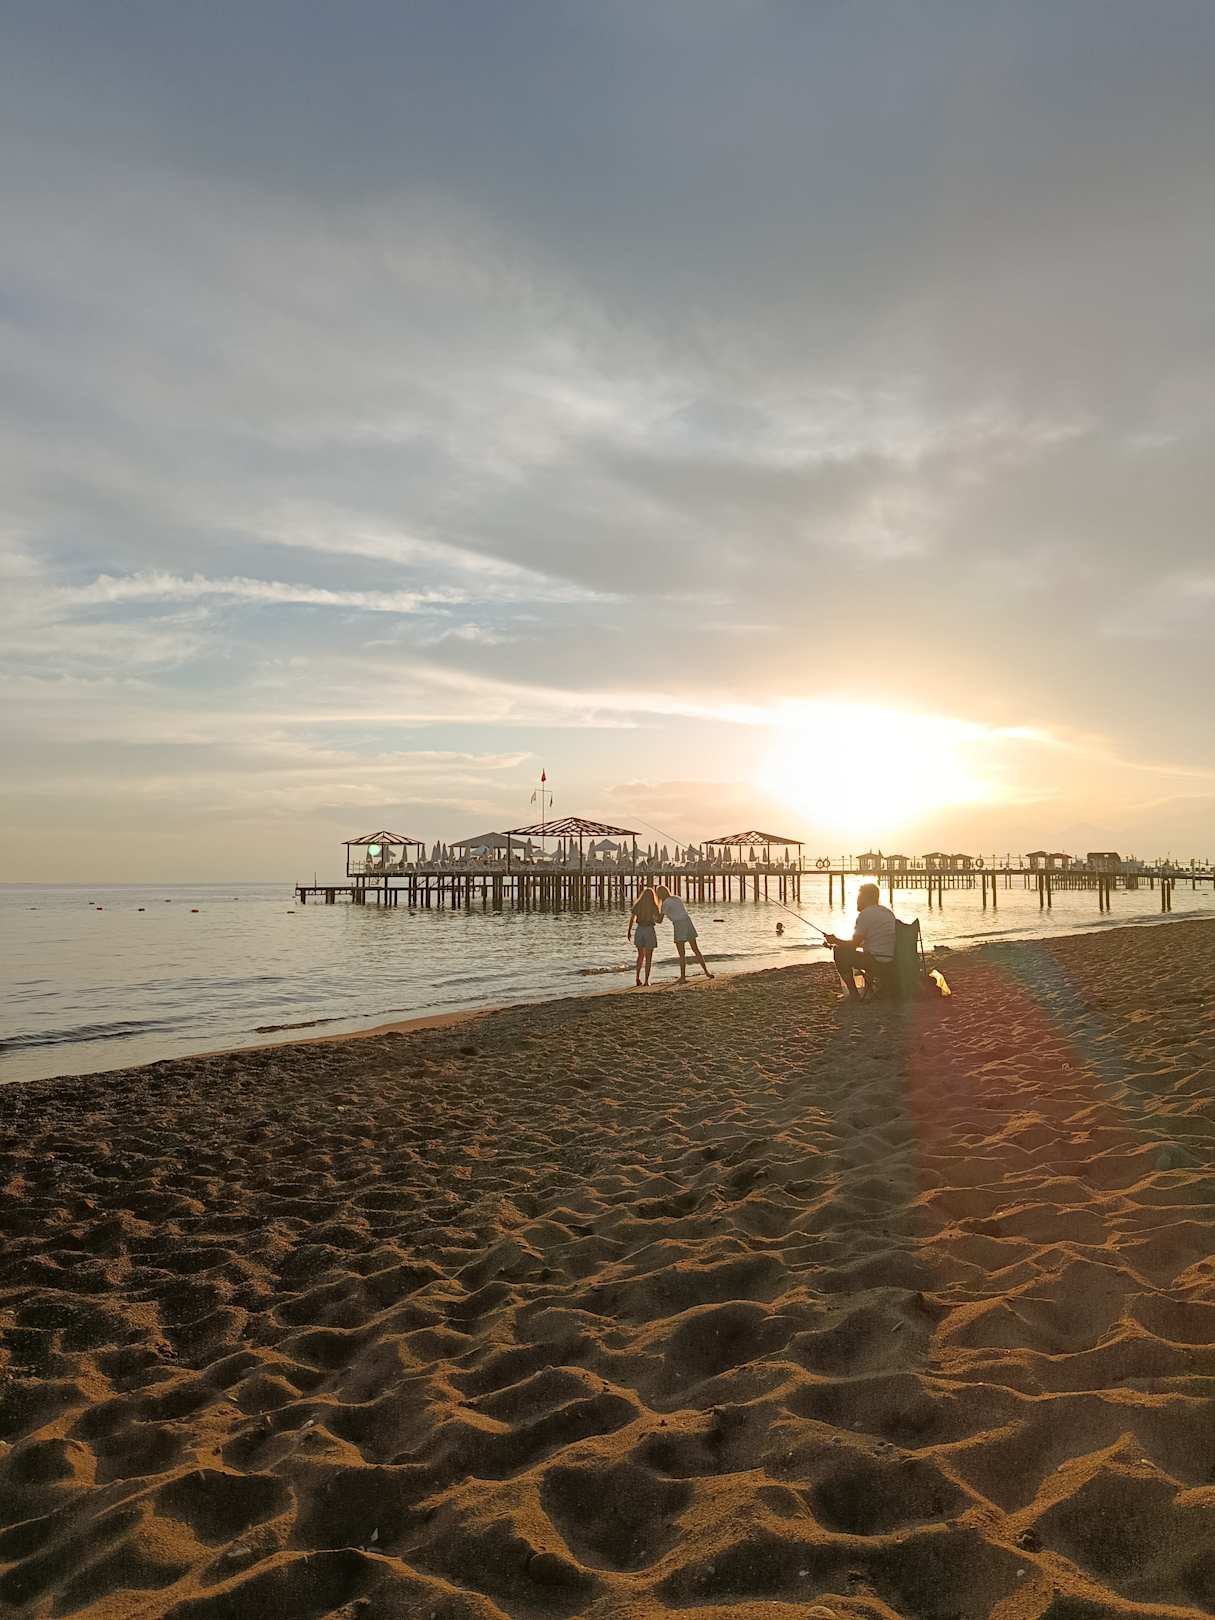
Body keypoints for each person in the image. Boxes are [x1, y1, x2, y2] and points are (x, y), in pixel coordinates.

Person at [824, 882, 896, 1000]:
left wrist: (835, 941)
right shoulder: (887, 912)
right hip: (893, 963)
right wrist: (835, 943)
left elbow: (853, 945)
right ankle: (869, 989)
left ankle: (854, 995)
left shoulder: (865, 914)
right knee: (843, 948)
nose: (857, 901)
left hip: (878, 963)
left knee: (840, 952)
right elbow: (876, 941)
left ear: (867, 898)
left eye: (859, 897)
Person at [655, 885, 713, 982]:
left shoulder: (665, 903)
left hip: (679, 924)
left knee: (681, 953)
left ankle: (683, 977)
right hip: (688, 921)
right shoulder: (677, 898)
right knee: (695, 949)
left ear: (660, 895)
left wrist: (651, 917)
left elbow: (660, 921)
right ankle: (707, 972)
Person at [628, 886, 662, 986]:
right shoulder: (654, 906)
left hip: (639, 930)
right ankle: (646, 981)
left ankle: (637, 978)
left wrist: (629, 931)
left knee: (640, 956)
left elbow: (632, 918)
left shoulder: (638, 905)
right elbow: (658, 920)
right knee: (648, 957)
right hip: (649, 930)